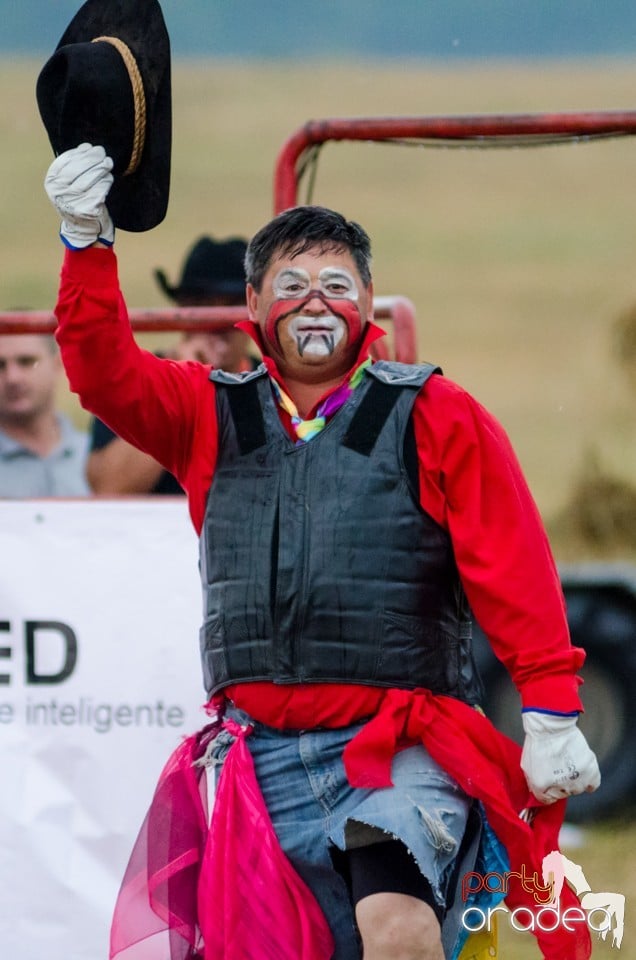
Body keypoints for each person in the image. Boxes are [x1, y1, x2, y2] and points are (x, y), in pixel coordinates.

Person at [45, 143, 601, 960]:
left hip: (399, 749)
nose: (316, 303)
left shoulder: (438, 415)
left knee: (398, 928)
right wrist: (86, 241)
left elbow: (511, 562)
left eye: (337, 285)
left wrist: (551, 709)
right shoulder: (205, 413)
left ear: (368, 302)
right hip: (256, 759)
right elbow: (101, 370)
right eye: (293, 285)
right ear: (252, 306)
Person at [87, 235, 258, 494]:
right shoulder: (136, 377)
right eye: (201, 302)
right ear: (181, 307)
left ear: (254, 307)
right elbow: (110, 487)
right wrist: (179, 386)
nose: (215, 320)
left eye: (232, 303)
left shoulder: (274, 380)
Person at [0, 332, 89, 497]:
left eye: (27, 362)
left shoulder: (94, 456)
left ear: (57, 364)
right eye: (0, 365)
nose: (13, 378)